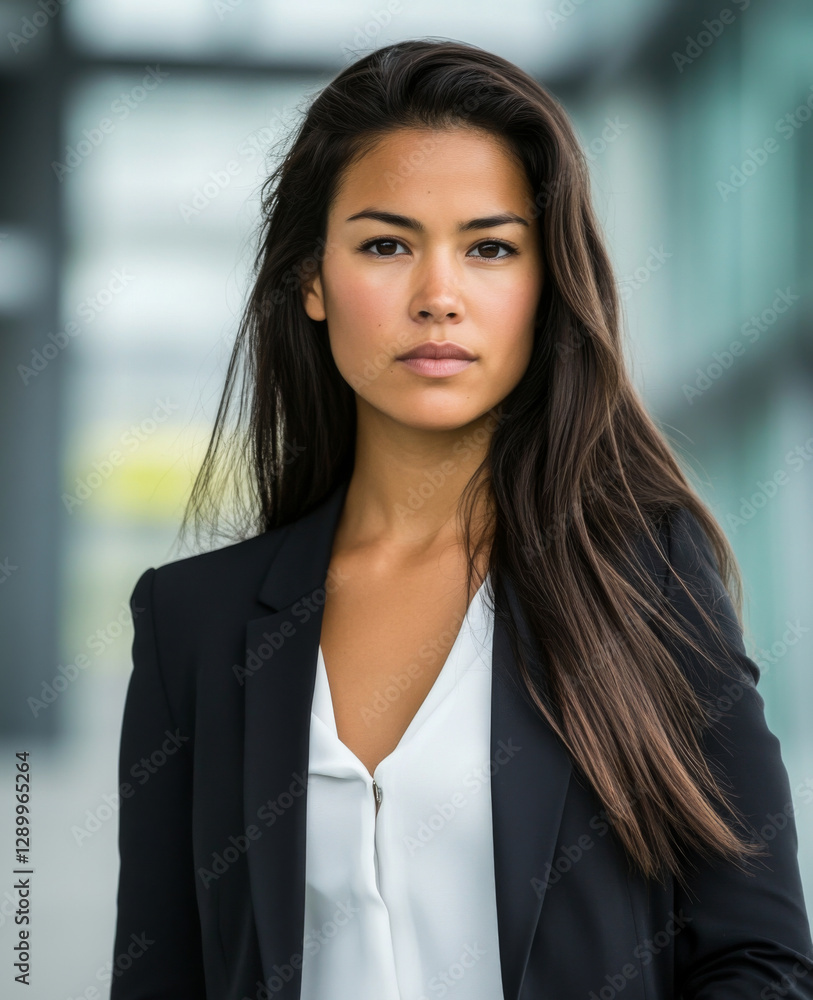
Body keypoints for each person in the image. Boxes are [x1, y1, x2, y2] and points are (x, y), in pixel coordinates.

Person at [110, 38, 813, 1000]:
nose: (437, 297)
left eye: (490, 248)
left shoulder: (641, 579)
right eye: (385, 244)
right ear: (311, 281)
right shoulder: (192, 624)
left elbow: (758, 960)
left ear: (542, 286)